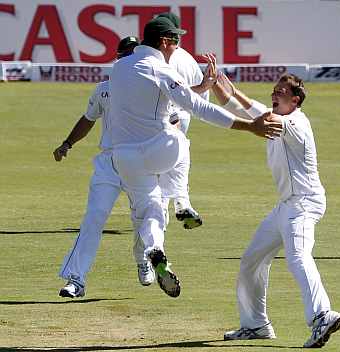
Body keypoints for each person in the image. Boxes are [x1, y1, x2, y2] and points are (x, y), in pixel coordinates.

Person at [109, 16, 282, 298]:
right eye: (175, 41)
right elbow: (200, 108)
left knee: (151, 210)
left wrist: (198, 87)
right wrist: (249, 126)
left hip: (124, 158)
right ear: (164, 42)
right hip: (159, 150)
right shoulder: (161, 69)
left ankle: (155, 249)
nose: (176, 47)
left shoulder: (117, 68)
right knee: (180, 139)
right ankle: (182, 201)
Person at [214, 73, 340, 348]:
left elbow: (259, 117)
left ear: (295, 100)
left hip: (304, 204)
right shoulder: (277, 116)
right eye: (274, 91)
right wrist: (224, 87)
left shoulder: (294, 123)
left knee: (297, 256)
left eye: (281, 92)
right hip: (285, 206)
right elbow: (251, 107)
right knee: (252, 260)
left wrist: (219, 101)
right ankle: (256, 325)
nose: (274, 95)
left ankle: (322, 314)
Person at [53, 36, 159, 299]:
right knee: (94, 217)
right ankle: (76, 279)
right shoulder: (104, 88)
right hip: (109, 163)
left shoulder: (153, 85)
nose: (126, 62)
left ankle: (143, 259)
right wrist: (67, 143)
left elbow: (175, 120)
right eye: (123, 57)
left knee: (141, 220)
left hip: (141, 161)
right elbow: (88, 119)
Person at [155, 12, 207, 230]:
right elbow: (200, 100)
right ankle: (181, 204)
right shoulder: (188, 58)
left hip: (160, 117)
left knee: (158, 167)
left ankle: (162, 214)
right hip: (183, 118)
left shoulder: (156, 57)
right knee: (176, 161)